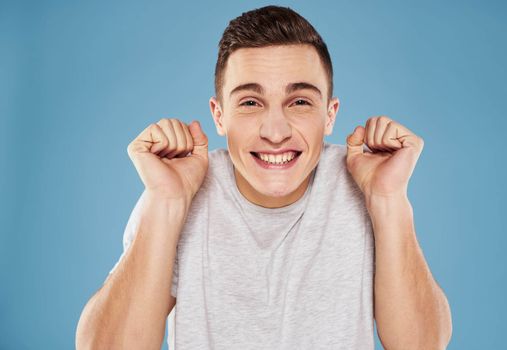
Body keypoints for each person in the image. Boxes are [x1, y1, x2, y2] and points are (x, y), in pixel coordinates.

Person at [76, 5, 452, 350]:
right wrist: (165, 202)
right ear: (219, 115)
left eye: (300, 101)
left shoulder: (367, 188)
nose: (275, 131)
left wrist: (387, 200)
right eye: (251, 102)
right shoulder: (177, 192)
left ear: (330, 114)